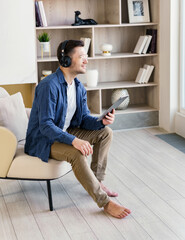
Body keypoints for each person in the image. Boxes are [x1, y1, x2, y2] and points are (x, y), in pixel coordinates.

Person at [25, 40, 131, 219]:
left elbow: (82, 120)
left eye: (86, 56)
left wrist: (101, 122)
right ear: (66, 60)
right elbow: (45, 125)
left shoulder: (79, 87)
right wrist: (74, 140)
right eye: (81, 56)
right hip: (44, 140)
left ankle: (97, 180)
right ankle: (104, 202)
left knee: (106, 133)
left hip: (65, 132)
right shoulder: (48, 85)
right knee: (77, 153)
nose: (86, 61)